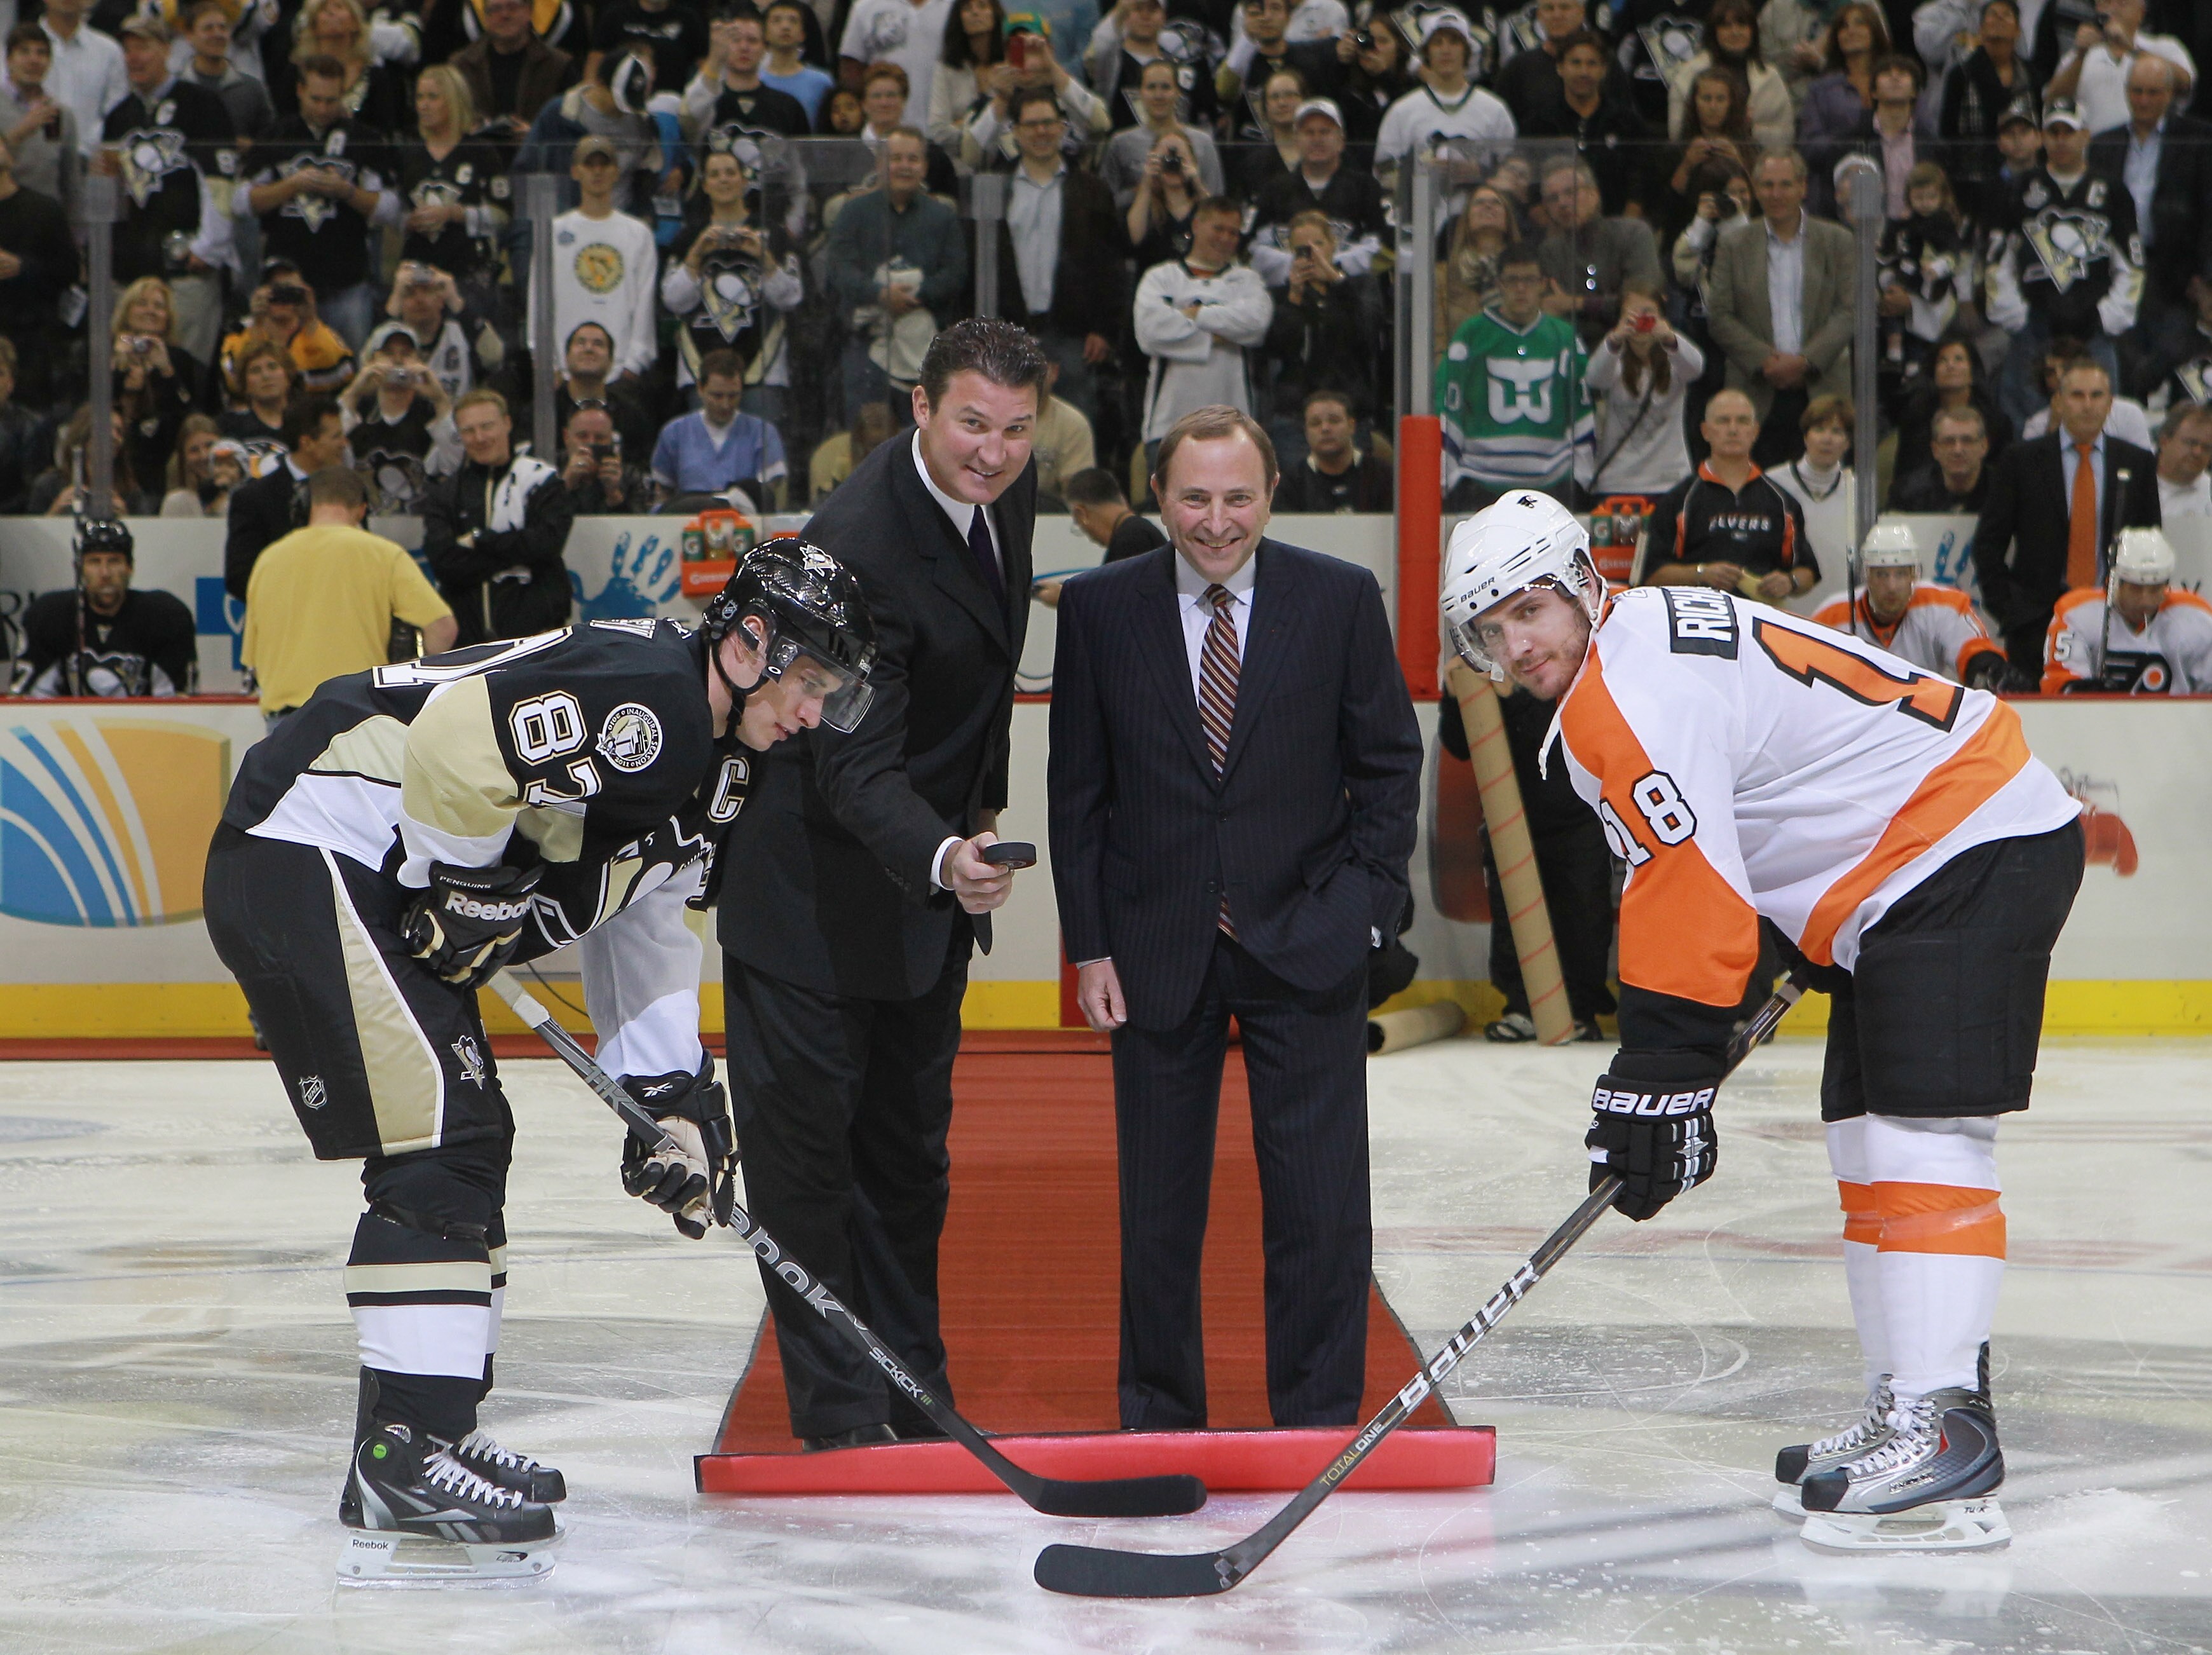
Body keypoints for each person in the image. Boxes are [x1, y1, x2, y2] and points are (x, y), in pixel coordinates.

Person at [203, 539, 877, 1583]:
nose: (809, 709)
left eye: (828, 691)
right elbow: (464, 739)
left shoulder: (717, 762)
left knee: (471, 1134)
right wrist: (458, 883)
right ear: (748, 643)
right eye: (805, 680)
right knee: (442, 1127)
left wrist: (674, 1101)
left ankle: (429, 1428)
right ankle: (403, 1452)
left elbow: (645, 919)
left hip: (365, 864)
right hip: (307, 836)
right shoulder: (653, 698)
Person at [1438, 491, 2084, 1555]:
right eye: (1490, 630)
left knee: (1922, 1137)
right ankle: (1905, 1403)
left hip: (1964, 838)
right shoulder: (1641, 636)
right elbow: (1746, 806)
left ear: (1581, 580)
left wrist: (1663, 1068)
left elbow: (1683, 885)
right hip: (1909, 866)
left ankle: (1947, 1430)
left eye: (1527, 611)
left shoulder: (1628, 685)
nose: (1516, 646)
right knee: (1868, 1138)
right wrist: (1766, 956)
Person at [1048, 402, 1420, 1430]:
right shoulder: (1100, 609)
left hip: (1309, 943)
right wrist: (1089, 945)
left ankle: (1317, 1421)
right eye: (1196, 495)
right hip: (1155, 949)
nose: (1218, 520)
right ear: (1159, 495)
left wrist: (1360, 914)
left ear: (1272, 496)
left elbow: (1389, 771)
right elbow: (1077, 793)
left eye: (1239, 496)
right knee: (1159, 1213)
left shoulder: (1339, 599)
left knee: (1320, 1209)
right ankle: (1159, 1418)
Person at [716, 320, 1042, 1450]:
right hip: (805, 901)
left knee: (907, 1165)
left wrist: (980, 808)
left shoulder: (1009, 483)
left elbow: (986, 673)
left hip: (916, 901)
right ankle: (843, 1422)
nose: (991, 453)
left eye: (1012, 428)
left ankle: (915, 1392)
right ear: (918, 406)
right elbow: (850, 763)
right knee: (810, 1178)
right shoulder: (857, 547)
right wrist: (949, 856)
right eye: (969, 424)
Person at [1975, 356, 2163, 671]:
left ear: (2110, 403)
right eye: (2077, 395)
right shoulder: (2020, 461)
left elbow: (2151, 543)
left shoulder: (2138, 462)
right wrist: (2011, 610)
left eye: (2097, 396)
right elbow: (1988, 545)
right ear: (2058, 402)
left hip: (2118, 620)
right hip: (2036, 623)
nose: (2087, 405)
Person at [242, 467, 459, 723]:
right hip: (357, 716)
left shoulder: (269, 560)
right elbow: (443, 629)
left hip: (285, 723)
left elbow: (253, 660)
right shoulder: (384, 555)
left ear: (307, 504)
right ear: (362, 509)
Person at [1986, 100, 2141, 428]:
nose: (2061, 140)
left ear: (2085, 136)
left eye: (2068, 132)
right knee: (2025, 418)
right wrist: (2017, 316)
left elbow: (2132, 265)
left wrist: (2106, 317)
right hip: (2035, 326)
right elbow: (1997, 260)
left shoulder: (2112, 191)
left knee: (2101, 417)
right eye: (2053, 132)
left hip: (2093, 330)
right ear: (2043, 138)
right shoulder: (2020, 189)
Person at [1705, 147, 1857, 465]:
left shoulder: (1838, 241)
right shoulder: (1733, 245)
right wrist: (1765, 360)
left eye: (1786, 185)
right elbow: (1719, 315)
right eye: (1768, 185)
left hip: (1823, 388)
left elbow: (1850, 311)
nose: (1776, 194)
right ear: (1756, 190)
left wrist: (1805, 361)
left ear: (1803, 187)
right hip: (1756, 390)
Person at [245, 52, 399, 350]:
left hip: (347, 279)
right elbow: (243, 203)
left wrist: (347, 191)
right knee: (286, 362)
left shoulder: (364, 138)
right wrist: (291, 185)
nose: (323, 108)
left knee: (352, 359)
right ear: (300, 90)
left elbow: (390, 209)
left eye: (331, 100)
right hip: (287, 284)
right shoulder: (278, 135)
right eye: (316, 99)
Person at [990, 86, 1123, 426]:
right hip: (1009, 332)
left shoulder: (1092, 190)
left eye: (1049, 123)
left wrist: (1103, 329)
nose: (1041, 132)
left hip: (1074, 335)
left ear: (1063, 127)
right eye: (1032, 124)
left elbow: (1110, 265)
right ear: (1015, 131)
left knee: (1076, 424)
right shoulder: (997, 188)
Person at [2087, 57, 2212, 402]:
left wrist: (2207, 280)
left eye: (2153, 92)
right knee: (2126, 361)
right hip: (2121, 269)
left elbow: (2209, 211)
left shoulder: (2199, 139)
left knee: (2175, 360)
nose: (2143, 100)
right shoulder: (2103, 144)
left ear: (2171, 94)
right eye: (2137, 91)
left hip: (2178, 275)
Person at [826, 126, 969, 419]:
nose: (905, 166)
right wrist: (879, 295)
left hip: (926, 348)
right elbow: (839, 268)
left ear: (925, 167)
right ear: (879, 165)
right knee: (866, 433)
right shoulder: (853, 213)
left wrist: (917, 295)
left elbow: (955, 272)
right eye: (896, 158)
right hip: (864, 345)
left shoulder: (942, 216)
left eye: (913, 159)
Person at [1437, 241, 1593, 508]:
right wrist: (1449, 480)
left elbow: (1581, 410)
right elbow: (1447, 408)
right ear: (1499, 284)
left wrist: (1581, 479)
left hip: (1552, 485)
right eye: (1512, 280)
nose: (1521, 289)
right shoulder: (1471, 335)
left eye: (1530, 280)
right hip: (1480, 484)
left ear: (1543, 284)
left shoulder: (1564, 337)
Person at [424, 390, 578, 644]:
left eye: (487, 426)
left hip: (536, 639)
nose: (480, 438)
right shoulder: (446, 495)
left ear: (507, 423)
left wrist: (479, 541)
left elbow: (546, 544)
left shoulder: (543, 481)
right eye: (469, 431)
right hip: (468, 644)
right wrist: (513, 552)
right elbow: (444, 563)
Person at [1639, 386, 1820, 599]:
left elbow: (1808, 571)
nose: (1733, 430)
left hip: (1762, 620)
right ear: (1705, 431)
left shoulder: (1782, 501)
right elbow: (1650, 576)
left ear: (1755, 432)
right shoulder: (1679, 501)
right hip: (1698, 618)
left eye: (1743, 421)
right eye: (1723, 421)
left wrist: (1790, 582)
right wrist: (1701, 574)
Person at [1134, 194, 1274, 464]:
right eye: (1218, 229)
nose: (1226, 238)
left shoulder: (1247, 280)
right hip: (1169, 425)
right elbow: (1150, 333)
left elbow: (1256, 325)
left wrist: (1194, 314)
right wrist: (1225, 333)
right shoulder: (1162, 277)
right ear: (1197, 225)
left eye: (1233, 232)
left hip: (1235, 427)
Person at [661, 146, 805, 403]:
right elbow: (674, 302)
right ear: (705, 185)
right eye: (715, 175)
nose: (724, 179)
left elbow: (791, 299)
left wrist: (766, 260)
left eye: (730, 173)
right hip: (700, 370)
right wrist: (695, 258)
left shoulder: (774, 234)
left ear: (745, 180)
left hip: (764, 368)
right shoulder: (688, 238)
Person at [1813, 519, 2011, 684]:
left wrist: (1986, 667)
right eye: (1882, 575)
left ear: (1914, 575)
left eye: (1900, 574)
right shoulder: (1832, 616)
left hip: (1922, 715)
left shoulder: (1943, 605)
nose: (1892, 586)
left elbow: (1972, 647)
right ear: (1867, 577)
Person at [529, 136, 660, 385]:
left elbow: (645, 303)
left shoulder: (638, 234)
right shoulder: (554, 231)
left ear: (616, 172)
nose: (597, 172)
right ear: (575, 172)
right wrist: (548, 363)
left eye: (605, 164)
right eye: (590, 165)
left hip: (621, 372)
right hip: (564, 373)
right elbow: (539, 299)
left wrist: (633, 364)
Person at [21, 519, 197, 698]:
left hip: (144, 725)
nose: (105, 573)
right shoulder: (48, 615)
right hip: (69, 725)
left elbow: (176, 704)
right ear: (79, 569)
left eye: (114, 561)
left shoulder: (166, 617)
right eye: (94, 562)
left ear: (130, 568)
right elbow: (32, 701)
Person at [1261, 210, 1382, 466]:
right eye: (1302, 249)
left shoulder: (1360, 287)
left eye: (1318, 244)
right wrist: (1294, 297)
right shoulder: (1281, 296)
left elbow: (1369, 333)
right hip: (1295, 414)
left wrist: (1336, 281)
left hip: (1351, 411)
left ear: (1333, 245)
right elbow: (1278, 349)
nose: (1312, 253)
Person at [397, 65, 512, 315]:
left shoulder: (482, 153)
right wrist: (409, 221)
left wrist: (455, 214)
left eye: (433, 97)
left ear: (454, 101)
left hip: (468, 274)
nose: (424, 105)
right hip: (419, 276)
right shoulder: (409, 155)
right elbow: (395, 213)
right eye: (419, 97)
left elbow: (503, 216)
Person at [2042, 524, 2212, 691]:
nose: (2146, 600)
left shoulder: (2197, 616)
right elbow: (2062, 689)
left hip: (2180, 719)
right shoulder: (2076, 613)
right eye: (2136, 588)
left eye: (2155, 589)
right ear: (2115, 583)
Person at [1245, 97, 1386, 289]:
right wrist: (1294, 266)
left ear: (1341, 141)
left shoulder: (1366, 188)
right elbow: (1251, 248)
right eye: (1309, 133)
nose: (1317, 140)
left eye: (1325, 132)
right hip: (1289, 297)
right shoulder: (1274, 190)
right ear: (1296, 140)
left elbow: (1385, 248)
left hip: (1350, 296)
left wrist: (1334, 268)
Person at [1373, 11, 1514, 201]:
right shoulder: (1403, 110)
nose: (1445, 50)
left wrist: (1480, 173)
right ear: (1427, 52)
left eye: (1454, 42)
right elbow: (1384, 169)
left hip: (1477, 215)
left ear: (1466, 50)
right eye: (1438, 43)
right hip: (1421, 217)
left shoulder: (1494, 109)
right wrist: (1420, 171)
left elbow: (1512, 169)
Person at [225, 392, 350, 601]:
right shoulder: (253, 499)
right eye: (336, 437)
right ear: (307, 443)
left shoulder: (348, 492)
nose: (344, 444)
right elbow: (240, 577)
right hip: (283, 622)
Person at [1587, 277, 1702, 499]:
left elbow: (1696, 367)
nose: (1640, 322)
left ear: (1662, 316)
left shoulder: (1675, 358)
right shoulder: (1614, 360)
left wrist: (1669, 338)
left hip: (1669, 480)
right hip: (1618, 480)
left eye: (1648, 314)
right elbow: (1594, 378)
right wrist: (1615, 339)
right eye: (1631, 315)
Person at [1518, 29, 1653, 218]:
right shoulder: (1538, 124)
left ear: (1604, 70)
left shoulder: (1627, 123)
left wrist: (1625, 230)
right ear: (1560, 67)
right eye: (1576, 63)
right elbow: (1530, 188)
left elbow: (1640, 185)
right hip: (1556, 231)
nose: (1583, 72)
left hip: (1615, 230)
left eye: (1592, 64)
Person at [1535, 155, 1664, 346]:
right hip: (1573, 348)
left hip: (1632, 346)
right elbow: (1552, 310)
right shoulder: (1550, 250)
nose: (1562, 203)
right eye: (1553, 198)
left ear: (1594, 195)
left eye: (1571, 193)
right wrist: (1606, 304)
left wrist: (1575, 303)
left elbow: (1641, 303)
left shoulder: (1633, 233)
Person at [341, 328, 461, 515]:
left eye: (406, 354)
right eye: (388, 354)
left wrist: (440, 400)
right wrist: (352, 394)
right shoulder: (357, 411)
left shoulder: (433, 414)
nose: (397, 361)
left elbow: (455, 464)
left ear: (420, 362)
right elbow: (328, 458)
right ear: (371, 362)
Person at [1938, 0, 2038, 222]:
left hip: (2025, 180)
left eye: (2006, 15)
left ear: (2018, 30)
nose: (1999, 19)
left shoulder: (2031, 74)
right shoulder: (1961, 75)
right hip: (1973, 183)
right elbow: (1948, 133)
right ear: (1981, 29)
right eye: (1993, 14)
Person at [651, 349, 789, 504]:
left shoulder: (763, 432)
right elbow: (662, 492)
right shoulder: (674, 433)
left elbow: (770, 491)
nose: (725, 405)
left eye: (733, 396)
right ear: (700, 389)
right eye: (717, 396)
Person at [0, 133, 74, 410]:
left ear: (11, 155)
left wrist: (24, 268)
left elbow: (68, 271)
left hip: (32, 339)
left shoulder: (44, 210)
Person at [2044, 0, 2193, 135]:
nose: (2113, 9)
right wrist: (2081, 56)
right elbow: (2053, 101)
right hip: (2095, 153)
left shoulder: (2164, 46)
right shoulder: (2078, 56)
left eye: (2122, 3)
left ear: (2141, 13)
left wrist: (2131, 48)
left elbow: (2185, 84)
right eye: (2107, 3)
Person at [451, 0, 577, 149]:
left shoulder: (559, 65)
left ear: (530, 12)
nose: (505, 15)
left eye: (513, 7)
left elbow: (574, 126)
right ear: (486, 17)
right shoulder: (460, 66)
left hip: (537, 161)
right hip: (477, 160)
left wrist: (537, 135)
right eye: (496, 9)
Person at [1099, 57, 1224, 207]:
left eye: (1166, 87)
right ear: (1140, 93)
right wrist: (1143, 188)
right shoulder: (1120, 143)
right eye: (1151, 87)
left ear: (1178, 92)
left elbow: (1216, 199)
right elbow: (1107, 202)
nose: (1159, 95)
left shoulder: (1203, 142)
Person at [1892, 335, 2013, 486]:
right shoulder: (1916, 418)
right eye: (1943, 361)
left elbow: (2004, 476)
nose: (1951, 366)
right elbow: (1904, 475)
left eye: (1959, 359)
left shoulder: (1996, 422)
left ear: (1973, 372)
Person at [220, 262, 357, 397]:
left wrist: (311, 322)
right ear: (260, 293)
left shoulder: (317, 333)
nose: (283, 298)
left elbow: (342, 375)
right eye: (277, 290)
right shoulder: (240, 332)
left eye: (290, 291)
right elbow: (233, 382)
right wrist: (257, 326)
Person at [1669, 0, 1792, 147]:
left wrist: (1751, 129)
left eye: (1742, 25)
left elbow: (1787, 135)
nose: (1735, 32)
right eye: (1726, 26)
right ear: (1714, 32)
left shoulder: (1770, 76)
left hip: (1761, 163)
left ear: (1753, 30)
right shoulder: (1690, 73)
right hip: (1704, 161)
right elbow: (1677, 133)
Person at [2, 24, 84, 217]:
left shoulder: (60, 114)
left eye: (42, 54)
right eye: (24, 52)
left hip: (47, 220)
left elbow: (71, 181)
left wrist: (75, 234)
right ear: (8, 60)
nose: (34, 60)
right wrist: (21, 131)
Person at [1271, 387, 1393, 511]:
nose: (1325, 428)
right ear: (1306, 431)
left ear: (1352, 426)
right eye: (1315, 423)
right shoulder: (1290, 485)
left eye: (1334, 421)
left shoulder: (1383, 477)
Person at [839, 0, 957, 126]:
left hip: (944, 129)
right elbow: (851, 67)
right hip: (885, 132)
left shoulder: (955, 6)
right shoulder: (865, 7)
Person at [36, 0, 125, 160]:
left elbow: (116, 110)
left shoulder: (109, 51)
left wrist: (85, 150)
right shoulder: (15, 50)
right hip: (32, 164)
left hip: (94, 164)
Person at [178, 1, 274, 142]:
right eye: (208, 29)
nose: (217, 34)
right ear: (190, 35)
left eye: (223, 28)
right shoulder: (178, 90)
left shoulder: (252, 89)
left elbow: (271, 142)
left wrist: (252, 147)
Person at [1437, 181, 1515, 345]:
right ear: (1466, 219)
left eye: (1496, 203)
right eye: (1479, 203)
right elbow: (1437, 341)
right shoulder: (1442, 277)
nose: (1488, 206)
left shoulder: (1526, 273)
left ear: (1508, 219)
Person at [1889, 404, 1997, 510]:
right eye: (1948, 442)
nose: (1958, 450)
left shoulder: (2003, 491)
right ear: (1935, 450)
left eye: (1967, 441)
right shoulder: (1908, 495)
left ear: (1984, 446)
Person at [588, 0, 709, 95]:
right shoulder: (616, 15)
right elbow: (597, 55)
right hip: (620, 98)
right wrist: (591, 86)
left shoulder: (688, 19)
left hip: (671, 101)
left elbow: (702, 61)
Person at [1063, 463, 1167, 562]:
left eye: (1078, 523)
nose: (1091, 538)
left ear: (1082, 514)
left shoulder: (1130, 541)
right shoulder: (1140, 530)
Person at [559, 398, 648, 513]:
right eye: (582, 436)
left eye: (600, 438)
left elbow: (639, 526)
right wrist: (565, 485)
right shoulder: (549, 470)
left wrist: (614, 495)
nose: (591, 443)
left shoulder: (630, 477)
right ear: (567, 437)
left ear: (611, 439)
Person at [762, 0, 836, 125]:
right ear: (765, 33)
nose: (785, 27)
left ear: (802, 34)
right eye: (777, 20)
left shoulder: (822, 82)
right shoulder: (757, 80)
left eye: (793, 21)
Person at [809, 400, 896, 500]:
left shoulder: (903, 469)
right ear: (858, 437)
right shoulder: (843, 467)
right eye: (876, 424)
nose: (879, 433)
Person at [2154, 401, 2212, 525]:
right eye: (2191, 443)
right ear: (2164, 442)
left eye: (2207, 447)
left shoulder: (2209, 490)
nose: (2198, 452)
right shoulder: (2137, 486)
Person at [160, 414, 224, 516]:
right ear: (184, 458)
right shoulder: (177, 502)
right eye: (194, 450)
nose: (204, 456)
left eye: (210, 445)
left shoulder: (239, 497)